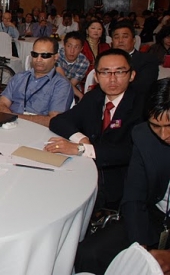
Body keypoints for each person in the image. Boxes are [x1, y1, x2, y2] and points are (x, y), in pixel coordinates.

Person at [73, 78, 170, 274]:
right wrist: (139, 247)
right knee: (89, 254)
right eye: (155, 126)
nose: (164, 135)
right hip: (153, 216)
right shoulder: (144, 136)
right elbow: (134, 196)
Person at [47, 49, 144, 211]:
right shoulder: (95, 97)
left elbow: (130, 151)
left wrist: (82, 149)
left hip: (118, 179)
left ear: (132, 75)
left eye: (119, 72)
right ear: (96, 77)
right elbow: (58, 121)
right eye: (105, 72)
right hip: (84, 168)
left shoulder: (141, 106)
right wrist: (81, 139)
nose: (112, 79)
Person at [0, 37, 73, 127]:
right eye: (35, 54)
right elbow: (1, 105)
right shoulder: (19, 77)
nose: (38, 59)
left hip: (39, 131)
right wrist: (12, 119)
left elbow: (54, 120)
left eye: (45, 55)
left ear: (55, 57)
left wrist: (15, 117)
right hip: (9, 126)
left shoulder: (61, 85)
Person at [111, 22, 158, 99]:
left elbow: (143, 87)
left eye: (125, 37)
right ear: (112, 42)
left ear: (134, 40)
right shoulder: (105, 60)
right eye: (116, 37)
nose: (120, 40)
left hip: (134, 102)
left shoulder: (148, 60)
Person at [55, 31, 90, 101]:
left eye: (76, 47)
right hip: (54, 85)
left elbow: (71, 83)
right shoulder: (56, 56)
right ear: (64, 45)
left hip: (72, 88)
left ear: (81, 49)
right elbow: (61, 79)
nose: (72, 51)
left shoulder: (84, 62)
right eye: (69, 46)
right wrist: (80, 95)